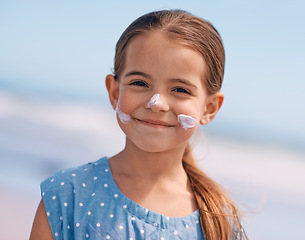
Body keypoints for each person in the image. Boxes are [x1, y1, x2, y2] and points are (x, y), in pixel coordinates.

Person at [30, 9, 247, 240]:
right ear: (114, 92)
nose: (157, 104)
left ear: (209, 108)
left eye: (180, 89)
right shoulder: (66, 196)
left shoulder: (217, 220)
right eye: (140, 82)